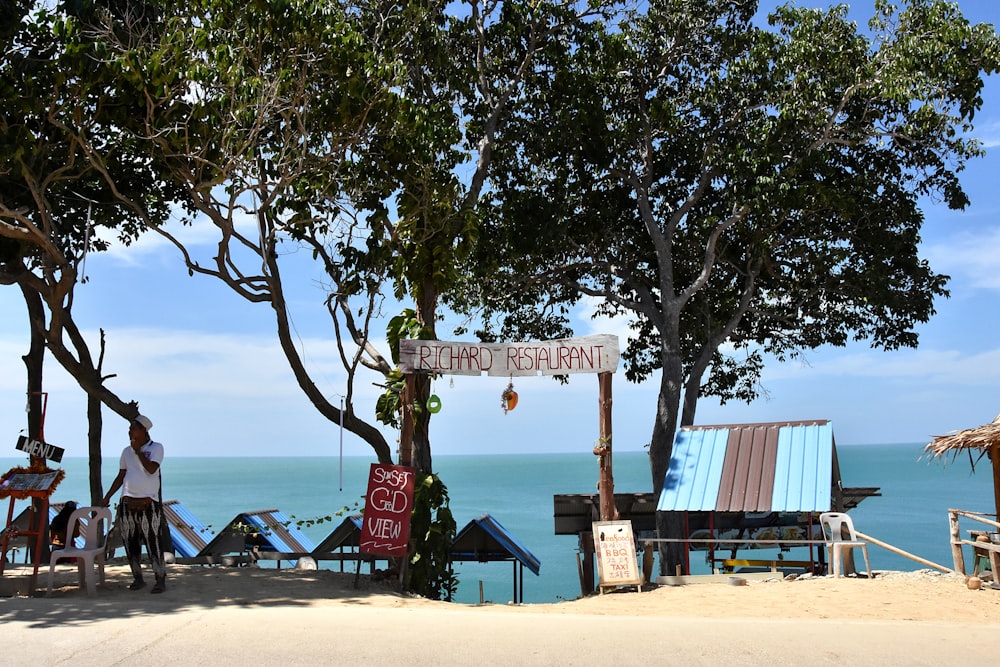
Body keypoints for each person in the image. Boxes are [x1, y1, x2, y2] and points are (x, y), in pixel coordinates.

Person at [101, 414, 167, 593]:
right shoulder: (126, 451)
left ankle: (160, 578)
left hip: (149, 502)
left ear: (144, 430)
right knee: (130, 542)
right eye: (130, 429)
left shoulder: (156, 448)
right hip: (127, 501)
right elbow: (121, 475)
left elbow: (152, 469)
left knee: (153, 541)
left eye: (134, 429)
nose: (130, 432)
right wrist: (108, 496)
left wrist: (138, 451)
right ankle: (138, 577)